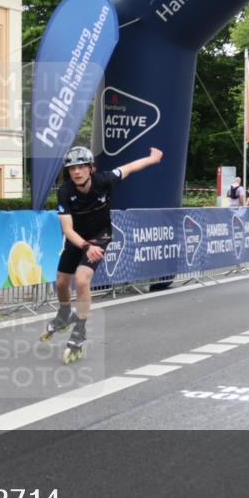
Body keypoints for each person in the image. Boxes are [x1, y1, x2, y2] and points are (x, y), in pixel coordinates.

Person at [46, 146, 163, 360]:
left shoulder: (104, 181)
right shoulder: (65, 192)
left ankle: (79, 330)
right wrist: (85, 246)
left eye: (81, 167)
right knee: (61, 282)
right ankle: (64, 314)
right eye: (72, 168)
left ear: (91, 168)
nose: (77, 172)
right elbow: (67, 230)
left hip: (100, 236)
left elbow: (129, 168)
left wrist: (152, 159)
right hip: (78, 239)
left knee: (82, 280)